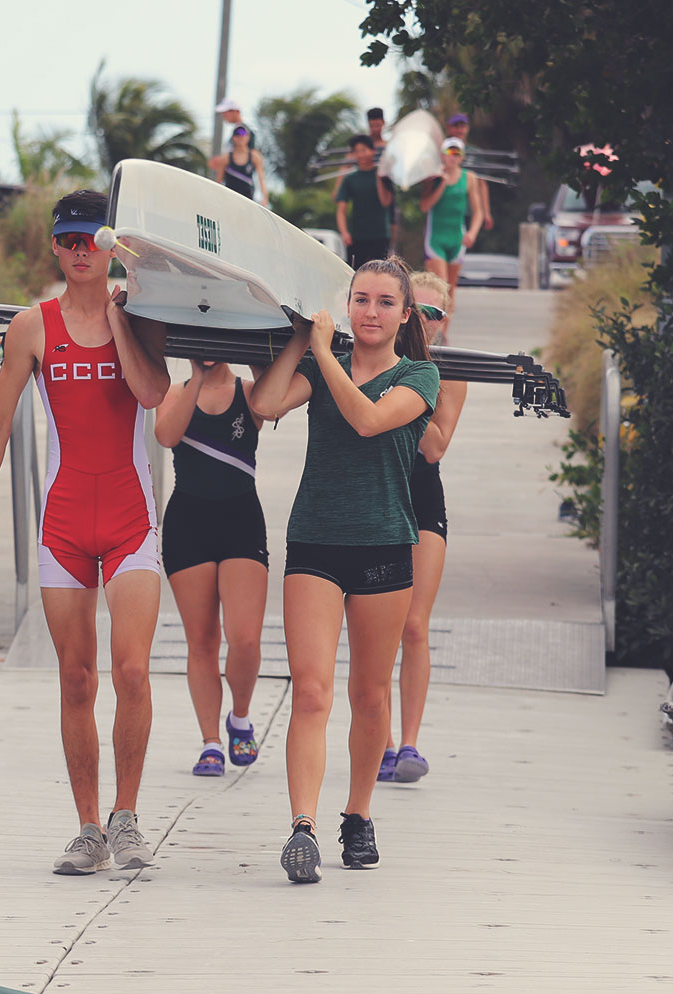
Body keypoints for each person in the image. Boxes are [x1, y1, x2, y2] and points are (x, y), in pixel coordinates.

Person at [0, 189, 170, 876]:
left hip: (132, 518)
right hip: (66, 523)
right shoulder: (32, 326)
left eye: (92, 241)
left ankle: (128, 815)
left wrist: (118, 319)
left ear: (110, 247)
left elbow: (152, 394)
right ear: (55, 246)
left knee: (132, 669)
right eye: (69, 241)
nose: (81, 251)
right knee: (77, 679)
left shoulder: (138, 315)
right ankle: (88, 827)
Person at [249, 256, 440, 883]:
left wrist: (325, 353)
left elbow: (367, 419)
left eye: (386, 303)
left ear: (405, 314)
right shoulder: (316, 360)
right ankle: (302, 826)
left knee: (368, 695)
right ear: (347, 303)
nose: (371, 313)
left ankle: (356, 815)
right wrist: (305, 339)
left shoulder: (419, 376)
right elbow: (265, 404)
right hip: (316, 543)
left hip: (385, 547)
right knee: (310, 691)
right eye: (361, 300)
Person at [154, 360, 270, 777]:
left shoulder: (252, 391)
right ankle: (211, 743)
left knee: (245, 638)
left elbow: (276, 405)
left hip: (241, 521)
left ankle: (240, 717)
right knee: (201, 639)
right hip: (188, 524)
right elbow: (166, 435)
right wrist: (197, 379)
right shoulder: (174, 392)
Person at [378, 270, 467, 784]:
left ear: (442, 320)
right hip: (378, 493)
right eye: (419, 310)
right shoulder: (376, 356)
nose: (426, 321)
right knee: (380, 630)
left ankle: (410, 742)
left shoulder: (450, 369)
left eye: (435, 314)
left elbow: (434, 445)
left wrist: (410, 388)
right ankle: (383, 741)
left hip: (423, 496)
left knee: (414, 625)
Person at [420, 136, 484, 306]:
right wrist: (441, 184)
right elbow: (425, 206)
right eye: (450, 152)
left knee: (451, 289)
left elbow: (478, 212)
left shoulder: (469, 178)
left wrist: (472, 233)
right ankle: (437, 331)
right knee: (440, 286)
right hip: (436, 240)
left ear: (462, 157)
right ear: (442, 155)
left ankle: (444, 331)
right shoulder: (433, 177)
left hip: (457, 239)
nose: (453, 156)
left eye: (457, 153)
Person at [336, 135, 394, 268]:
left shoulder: (384, 175)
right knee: (355, 273)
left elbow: (386, 202)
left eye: (363, 150)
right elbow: (341, 209)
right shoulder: (350, 179)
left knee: (380, 272)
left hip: (380, 236)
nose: (360, 155)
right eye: (356, 151)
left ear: (372, 151)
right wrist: (344, 232)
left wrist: (380, 177)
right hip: (357, 237)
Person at [446, 113, 494, 232]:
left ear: (467, 128)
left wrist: (486, 212)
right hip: (448, 207)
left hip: (469, 210)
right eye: (456, 126)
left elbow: (482, 183)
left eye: (462, 126)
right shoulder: (443, 150)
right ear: (449, 128)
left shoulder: (475, 152)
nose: (459, 130)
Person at [211, 125, 269, 205]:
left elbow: (261, 179)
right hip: (229, 198)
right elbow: (218, 181)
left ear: (248, 137)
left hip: (248, 199)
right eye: (237, 134)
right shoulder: (225, 158)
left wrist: (265, 198)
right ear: (233, 138)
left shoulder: (255, 157)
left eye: (243, 133)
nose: (240, 137)